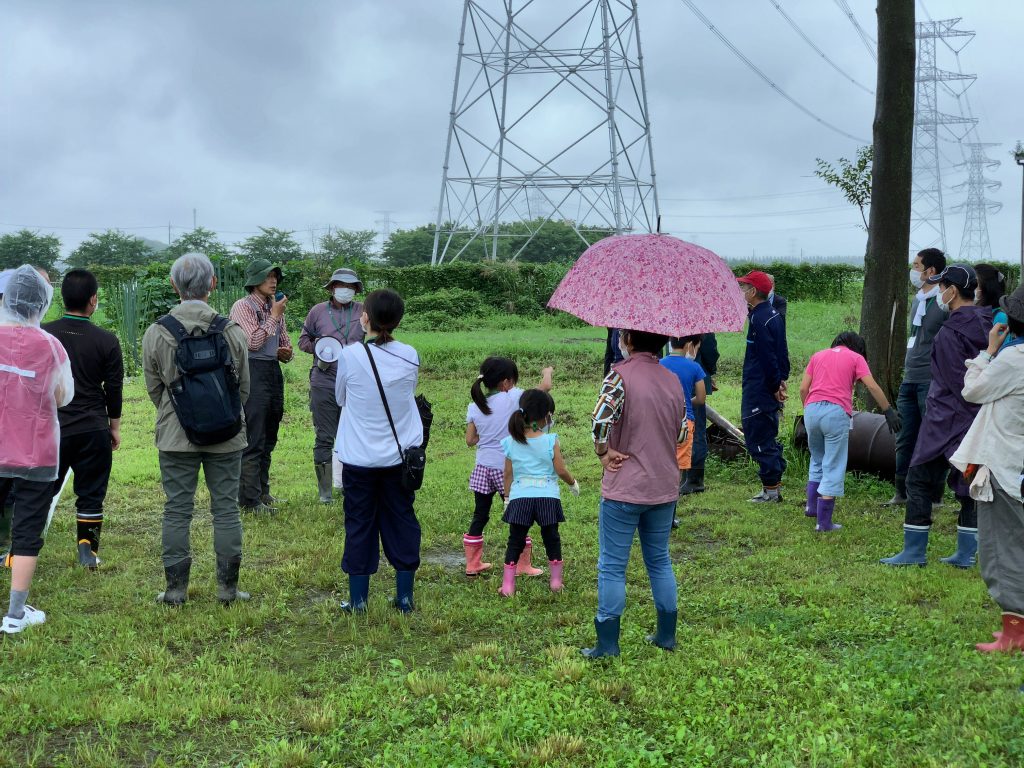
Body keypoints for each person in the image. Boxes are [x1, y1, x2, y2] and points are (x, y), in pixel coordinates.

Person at [142, 253, 251, 605]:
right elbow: (243, 388)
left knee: (177, 510)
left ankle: (175, 591)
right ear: (213, 284)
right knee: (226, 509)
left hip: (176, 436)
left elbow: (154, 389)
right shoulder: (231, 330)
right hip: (227, 434)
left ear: (174, 285)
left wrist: (179, 415)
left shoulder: (157, 332)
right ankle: (228, 590)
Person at [583, 329, 687, 658]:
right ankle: (666, 635)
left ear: (627, 340)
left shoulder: (618, 376)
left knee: (613, 566)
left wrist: (603, 452)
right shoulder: (673, 380)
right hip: (664, 487)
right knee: (659, 560)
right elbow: (682, 432)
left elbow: (600, 422)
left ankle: (607, 644)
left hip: (625, 487)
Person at [881, 264, 991, 567]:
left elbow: (957, 382)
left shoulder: (949, 332)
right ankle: (967, 554)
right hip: (978, 421)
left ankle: (914, 551)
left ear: (952, 291)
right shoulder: (990, 324)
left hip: (944, 419)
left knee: (918, 480)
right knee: (970, 485)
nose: (939, 292)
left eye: (941, 287)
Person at [334, 289, 423, 614]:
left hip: (359, 458)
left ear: (365, 318)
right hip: (400, 458)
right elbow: (408, 392)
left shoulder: (350, 355)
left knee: (360, 523)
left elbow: (341, 398)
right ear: (398, 320)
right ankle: (404, 597)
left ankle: (358, 601)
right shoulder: (410, 354)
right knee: (402, 520)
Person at [950, 285, 1024, 650]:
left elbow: (973, 390)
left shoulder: (1014, 359)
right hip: (1018, 465)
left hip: (1005, 467)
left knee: (1003, 548)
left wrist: (989, 351)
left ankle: (1015, 633)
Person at [0, 266, 73, 633]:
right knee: (27, 532)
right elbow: (63, 396)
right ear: (42, 304)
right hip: (36, 451)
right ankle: (15, 615)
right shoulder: (50, 346)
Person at [42, 269, 124, 569]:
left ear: (62, 298)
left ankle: (21, 548)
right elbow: (113, 388)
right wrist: (114, 427)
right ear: (93, 300)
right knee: (91, 493)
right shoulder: (107, 340)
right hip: (92, 427)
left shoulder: (44, 335)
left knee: (40, 491)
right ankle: (87, 552)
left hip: (51, 428)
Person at [799, 332, 900, 532]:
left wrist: (809, 410)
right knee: (833, 463)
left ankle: (811, 507)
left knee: (817, 459)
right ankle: (824, 523)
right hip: (836, 412)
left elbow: (803, 389)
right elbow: (871, 386)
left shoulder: (818, 355)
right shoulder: (856, 358)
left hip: (811, 410)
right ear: (858, 347)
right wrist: (888, 411)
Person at [463, 357, 553, 577]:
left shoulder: (475, 405)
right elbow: (545, 388)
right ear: (506, 382)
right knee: (519, 516)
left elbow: (470, 440)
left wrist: (488, 435)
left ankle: (472, 564)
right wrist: (547, 371)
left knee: (480, 515)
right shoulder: (513, 397)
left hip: (483, 468)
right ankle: (522, 565)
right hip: (508, 470)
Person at [498, 389, 578, 597]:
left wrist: (507, 498)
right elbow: (561, 470)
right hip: (547, 497)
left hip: (520, 498)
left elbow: (508, 474)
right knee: (552, 538)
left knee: (515, 540)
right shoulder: (551, 440)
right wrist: (573, 483)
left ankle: (508, 586)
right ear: (546, 415)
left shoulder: (510, 442)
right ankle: (556, 582)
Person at [884, 248, 948, 506]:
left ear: (930, 271)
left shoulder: (943, 301)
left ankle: (935, 494)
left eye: (916, 265)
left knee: (933, 435)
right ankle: (901, 492)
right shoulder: (917, 300)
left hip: (931, 379)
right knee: (904, 437)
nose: (913, 270)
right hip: (909, 378)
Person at [230, 259, 293, 513]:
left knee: (269, 434)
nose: (273, 281)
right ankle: (249, 499)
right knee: (254, 436)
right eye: (268, 276)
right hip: (252, 372)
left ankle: (263, 492)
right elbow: (253, 343)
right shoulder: (243, 307)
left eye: (275, 276)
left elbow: (285, 342)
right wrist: (274, 317)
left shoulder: (274, 305)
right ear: (254, 281)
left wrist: (286, 352)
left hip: (272, 371)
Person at [298, 268, 365, 504]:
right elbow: (303, 341)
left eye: (350, 286)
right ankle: (325, 493)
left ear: (356, 289)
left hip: (355, 382)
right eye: (340, 285)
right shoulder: (317, 311)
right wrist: (321, 347)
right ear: (332, 287)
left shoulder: (363, 311)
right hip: (324, 379)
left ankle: (351, 486)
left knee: (354, 436)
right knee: (325, 436)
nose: (345, 290)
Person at [737, 270, 790, 502]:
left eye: (743, 287)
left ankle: (771, 490)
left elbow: (768, 357)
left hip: (759, 388)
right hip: (766, 384)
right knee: (765, 433)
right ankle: (772, 486)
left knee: (757, 436)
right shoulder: (770, 314)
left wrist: (774, 385)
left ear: (753, 291)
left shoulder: (760, 319)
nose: (741, 291)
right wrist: (781, 378)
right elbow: (782, 351)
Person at [660, 335, 706, 503]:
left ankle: (658, 497)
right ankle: (671, 503)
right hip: (684, 422)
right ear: (689, 345)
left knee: (662, 459)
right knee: (678, 465)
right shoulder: (694, 367)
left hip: (662, 420)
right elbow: (701, 398)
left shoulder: (659, 364)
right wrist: (685, 402)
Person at [680, 333, 718, 495]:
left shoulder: (665, 318)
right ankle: (691, 477)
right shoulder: (701, 321)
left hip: (673, 378)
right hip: (694, 379)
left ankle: (692, 478)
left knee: (688, 429)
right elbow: (710, 351)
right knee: (695, 429)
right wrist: (708, 372)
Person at [974, 263, 1016, 347]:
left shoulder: (1000, 317)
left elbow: (1002, 351)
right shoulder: (973, 311)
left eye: (974, 284)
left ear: (987, 287)